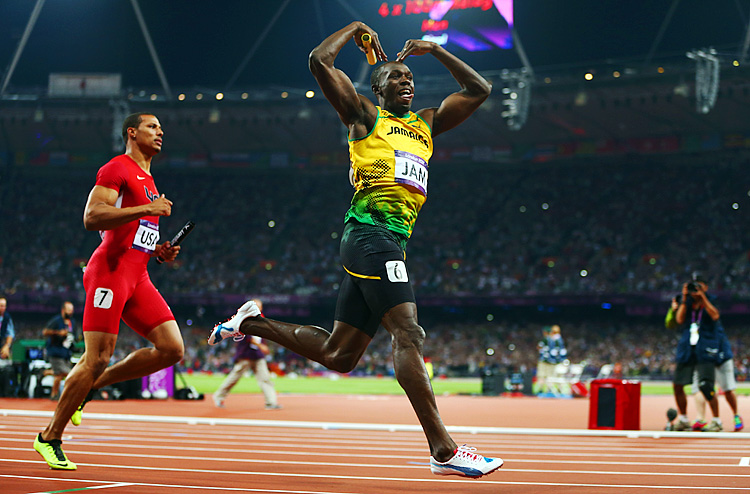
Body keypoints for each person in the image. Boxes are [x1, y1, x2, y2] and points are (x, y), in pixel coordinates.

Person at [210, 22, 501, 478]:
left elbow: (480, 87)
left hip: (391, 242)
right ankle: (443, 450)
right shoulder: (365, 116)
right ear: (377, 87)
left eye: (411, 78)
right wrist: (354, 29)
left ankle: (251, 322)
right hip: (369, 235)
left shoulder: (425, 124)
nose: (407, 82)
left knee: (338, 355)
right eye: (397, 78)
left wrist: (434, 49)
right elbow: (318, 61)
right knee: (409, 333)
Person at [33, 112, 184, 470]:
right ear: (132, 132)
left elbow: (131, 232)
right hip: (110, 274)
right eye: (152, 126)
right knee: (97, 356)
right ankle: (49, 436)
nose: (160, 131)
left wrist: (157, 250)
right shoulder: (115, 168)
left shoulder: (148, 178)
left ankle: (92, 386)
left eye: (161, 127)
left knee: (171, 349)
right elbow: (92, 217)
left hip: (139, 275)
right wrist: (148, 206)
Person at [669, 277, 724, 432]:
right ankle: (684, 419)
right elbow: (679, 319)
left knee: (707, 386)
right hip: (687, 348)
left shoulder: (712, 300)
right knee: (677, 384)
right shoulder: (685, 302)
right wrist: (685, 298)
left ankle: (716, 420)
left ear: (705, 287)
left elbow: (715, 316)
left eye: (698, 287)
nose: (695, 291)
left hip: (705, 348)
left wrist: (703, 298)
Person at [213, 299, 281, 410]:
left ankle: (271, 402)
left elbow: (260, 338)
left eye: (259, 306)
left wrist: (262, 346)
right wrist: (262, 347)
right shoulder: (246, 318)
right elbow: (250, 339)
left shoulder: (261, 319)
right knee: (234, 377)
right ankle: (218, 396)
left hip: (257, 355)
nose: (258, 308)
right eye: (256, 306)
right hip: (246, 354)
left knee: (265, 378)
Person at [42, 301, 78, 400]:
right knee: (69, 373)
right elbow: (45, 332)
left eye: (71, 310)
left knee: (58, 375)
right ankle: (67, 395)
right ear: (63, 310)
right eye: (68, 310)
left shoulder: (72, 322)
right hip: (55, 351)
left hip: (66, 352)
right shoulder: (57, 321)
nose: (70, 312)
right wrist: (58, 333)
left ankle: (54, 394)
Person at [0, 297, 14, 362]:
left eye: (4, 306)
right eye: (1, 306)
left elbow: (10, 333)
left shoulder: (6, 317)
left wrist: (7, 346)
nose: (3, 308)